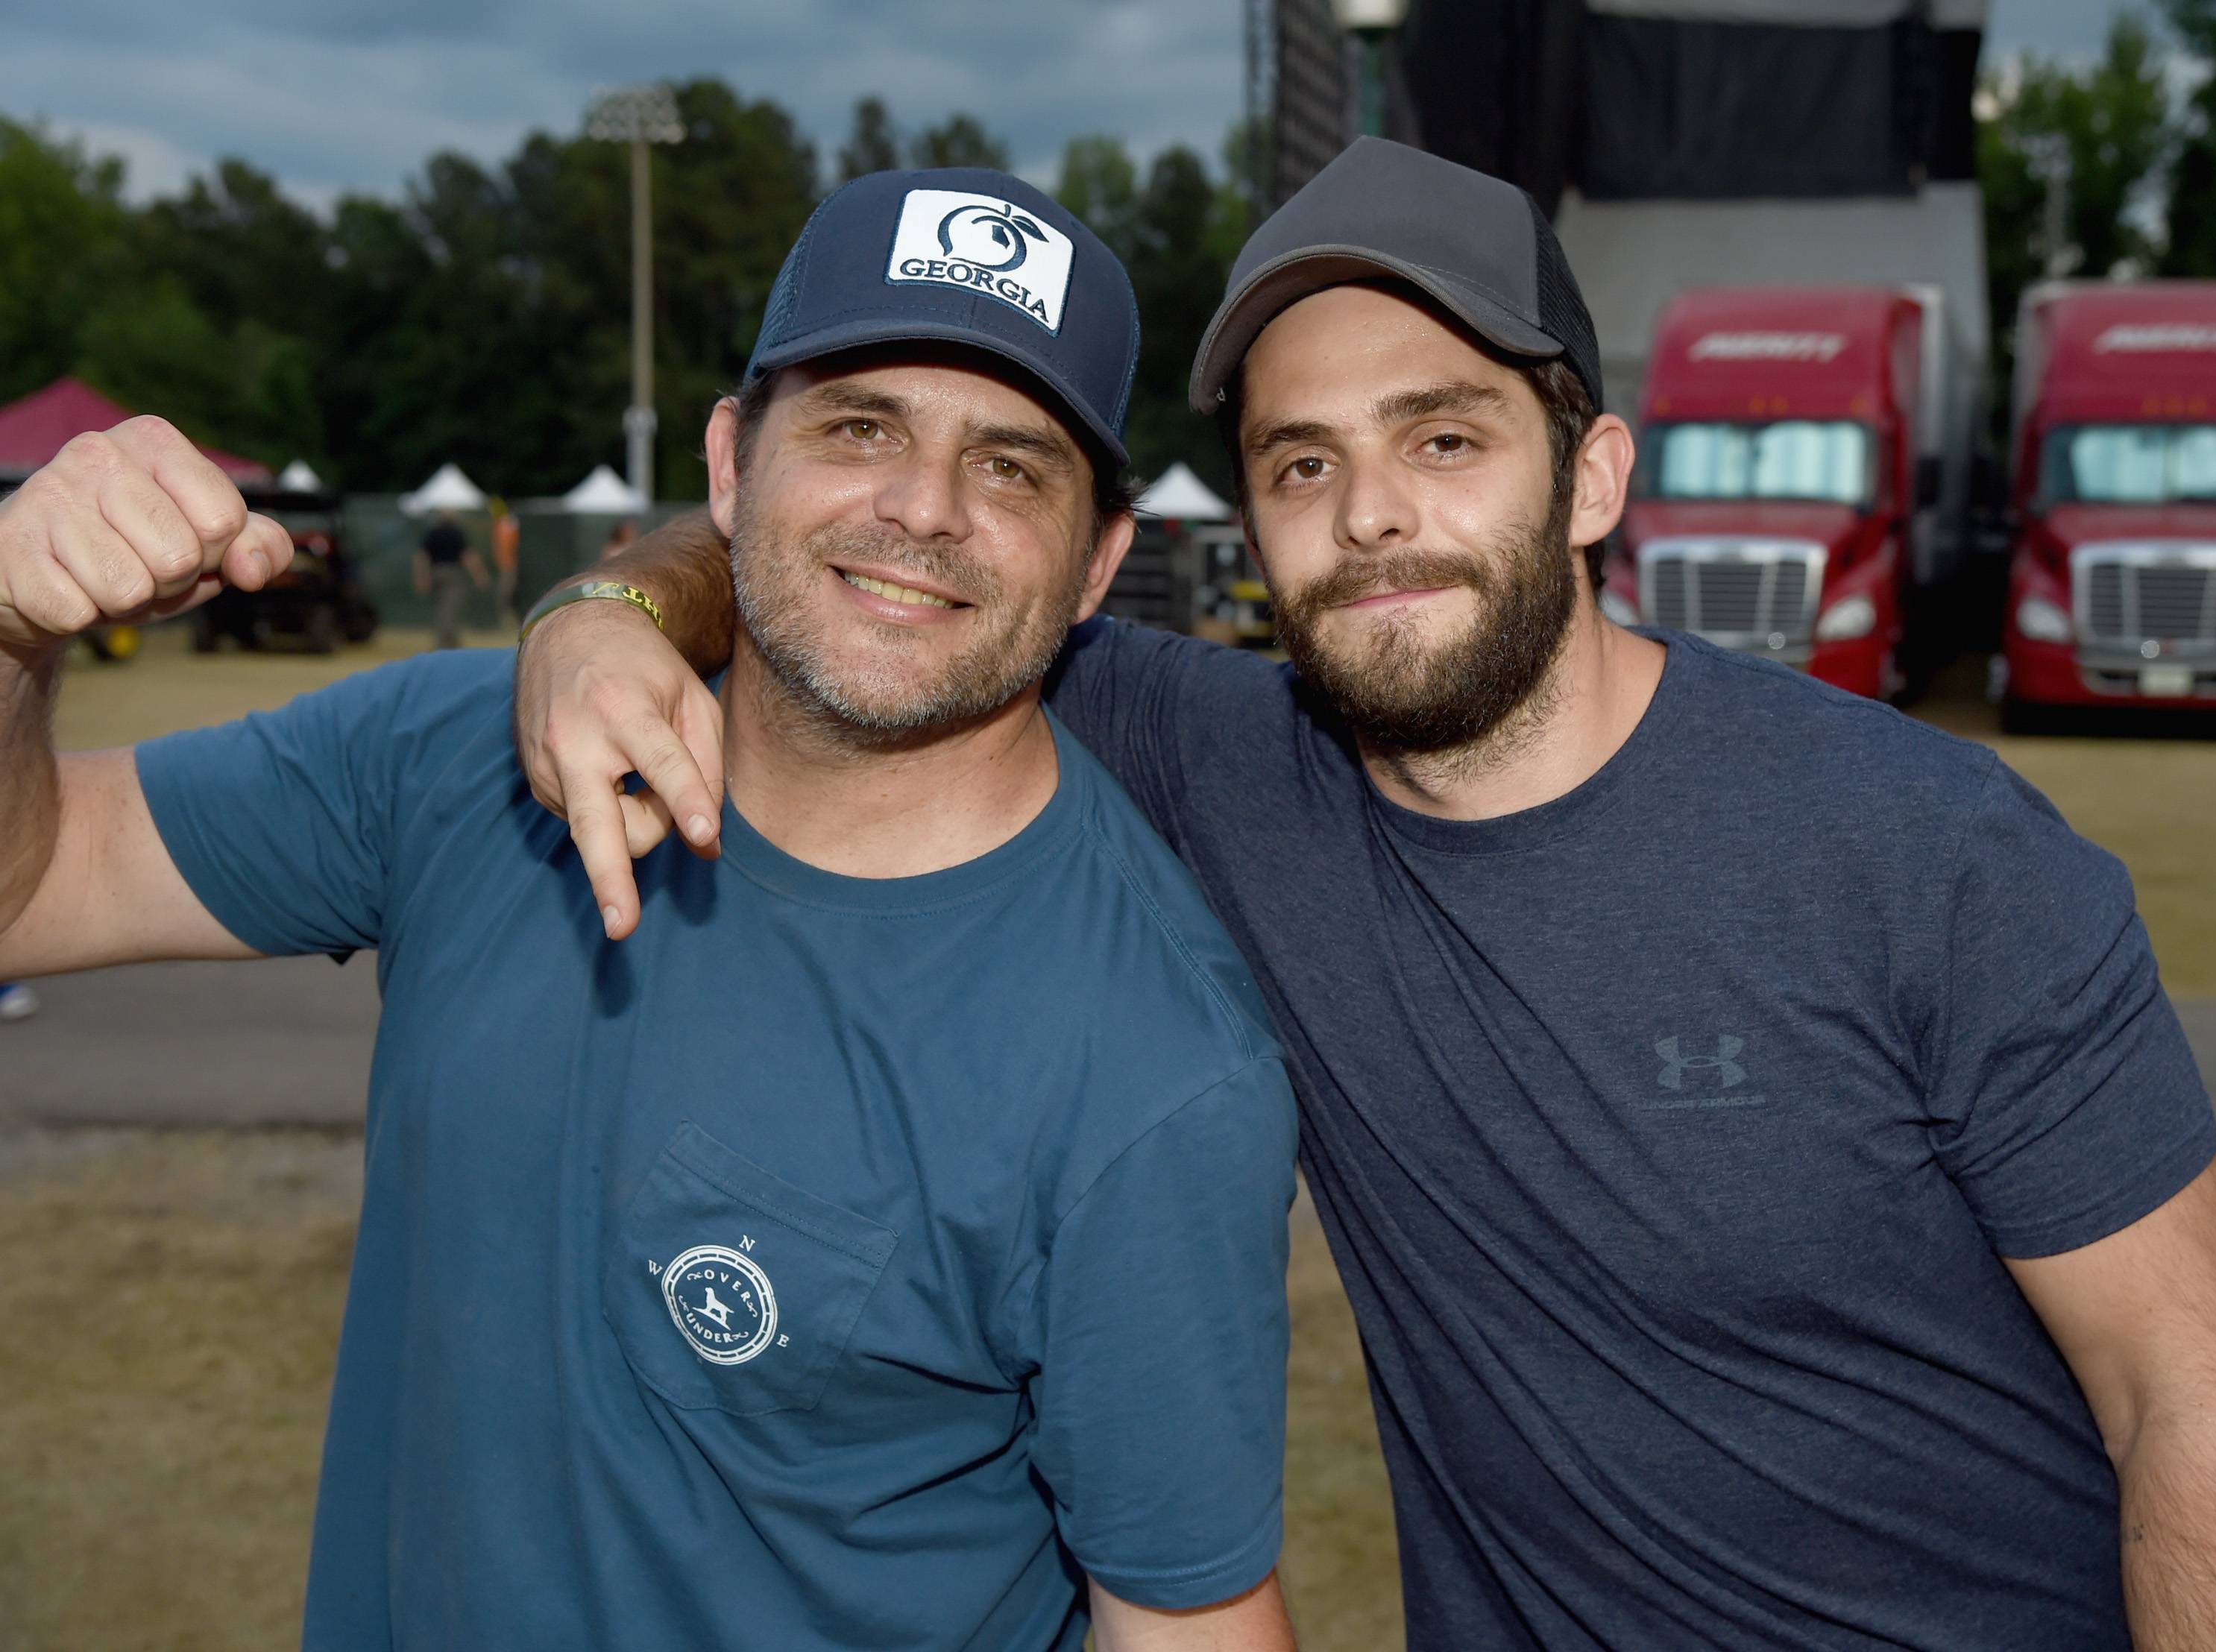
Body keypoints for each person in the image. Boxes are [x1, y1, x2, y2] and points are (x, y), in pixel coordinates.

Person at [520, 139, 2216, 1650]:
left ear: (1590, 479)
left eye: (1441, 435)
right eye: (1301, 463)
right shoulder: (1212, 757)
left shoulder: (1921, 850)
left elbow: (2187, 1388)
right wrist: (603, 608)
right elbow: (879, 564)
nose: (1370, 517)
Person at [0, 168, 1301, 1651]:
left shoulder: (1154, 1066)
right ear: (732, 464)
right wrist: (9, 633)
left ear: (1098, 567)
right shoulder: (460, 758)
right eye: (861, 425)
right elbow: (28, 884)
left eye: (1012, 468)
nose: (924, 509)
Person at [410, 507, 488, 648]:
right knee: (451, 608)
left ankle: (444, 641)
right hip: (453, 574)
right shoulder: (457, 533)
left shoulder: (433, 533)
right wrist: (479, 576)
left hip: (436, 573)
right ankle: (447, 643)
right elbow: (468, 557)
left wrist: (422, 578)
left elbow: (421, 557)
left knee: (442, 607)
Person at [489, 499, 521, 628]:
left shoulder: (506, 523)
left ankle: (508, 619)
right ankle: (505, 619)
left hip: (508, 565)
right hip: (507, 566)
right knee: (505, 593)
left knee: (507, 593)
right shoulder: (502, 523)